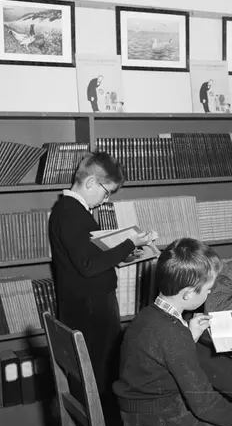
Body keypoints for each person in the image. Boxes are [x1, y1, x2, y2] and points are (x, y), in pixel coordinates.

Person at [113, 238, 232, 426]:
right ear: (189, 294)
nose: (209, 293)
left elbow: (160, 360)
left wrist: (189, 335)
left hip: (139, 419)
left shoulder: (147, 316)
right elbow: (205, 404)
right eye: (208, 290)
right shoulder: (174, 334)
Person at [48, 151, 157, 410]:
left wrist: (124, 252)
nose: (106, 200)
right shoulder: (71, 212)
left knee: (98, 375)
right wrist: (129, 243)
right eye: (106, 192)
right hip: (91, 310)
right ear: (90, 183)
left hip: (87, 306)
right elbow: (88, 266)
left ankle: (101, 423)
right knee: (102, 377)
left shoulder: (70, 210)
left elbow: (88, 257)